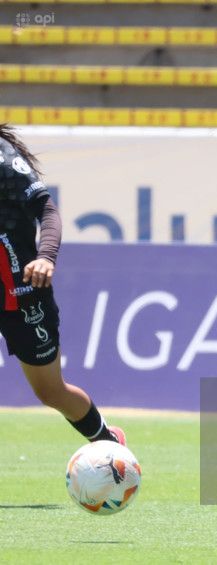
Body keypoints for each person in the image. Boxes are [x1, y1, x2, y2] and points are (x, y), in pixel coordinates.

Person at [0, 124, 126, 448]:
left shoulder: (3, 156)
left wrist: (46, 256)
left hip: (21, 292)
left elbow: (46, 209)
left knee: (50, 392)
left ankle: (108, 445)